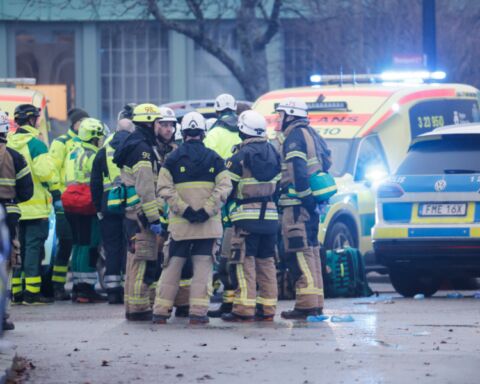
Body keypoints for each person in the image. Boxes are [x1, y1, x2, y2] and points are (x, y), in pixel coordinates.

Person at [152, 111, 232, 325]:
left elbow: (164, 188)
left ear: (183, 132)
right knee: (203, 269)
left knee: (172, 268)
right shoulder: (215, 158)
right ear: (203, 132)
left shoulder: (172, 159)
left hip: (181, 227)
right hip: (207, 226)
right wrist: (206, 210)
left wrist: (184, 210)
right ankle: (198, 313)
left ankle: (161, 311)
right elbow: (225, 187)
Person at [221, 110, 281, 322]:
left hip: (246, 220)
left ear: (242, 131)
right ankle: (267, 309)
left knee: (244, 263)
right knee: (266, 264)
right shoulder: (274, 153)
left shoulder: (239, 157)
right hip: (271, 219)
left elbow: (226, 188)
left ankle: (244, 310)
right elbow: (280, 186)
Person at [276, 98, 329, 319]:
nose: (278, 120)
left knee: (299, 254)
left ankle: (305, 305)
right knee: (312, 252)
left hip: (296, 207)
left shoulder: (294, 137)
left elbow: (298, 171)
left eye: (280, 115)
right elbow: (326, 162)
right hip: (309, 207)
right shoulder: (311, 134)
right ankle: (315, 302)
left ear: (290, 115)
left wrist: (305, 198)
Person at [112, 103, 164, 321]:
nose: (161, 127)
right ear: (149, 123)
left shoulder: (135, 143)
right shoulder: (142, 149)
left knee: (136, 261)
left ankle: (138, 305)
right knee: (141, 262)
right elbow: (145, 188)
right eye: (159, 123)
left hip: (133, 214)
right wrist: (154, 218)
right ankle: (138, 308)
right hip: (141, 215)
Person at [7, 104, 59, 305]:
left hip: (14, 208)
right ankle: (32, 294)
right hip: (36, 209)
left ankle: (17, 293)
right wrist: (55, 188)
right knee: (33, 251)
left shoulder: (9, 142)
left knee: (17, 251)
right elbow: (45, 173)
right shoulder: (36, 145)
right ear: (31, 120)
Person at [90, 118, 134, 304]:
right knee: (130, 247)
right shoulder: (135, 149)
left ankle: (113, 290)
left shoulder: (103, 152)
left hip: (108, 204)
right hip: (131, 202)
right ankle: (129, 288)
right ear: (131, 131)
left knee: (112, 247)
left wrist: (98, 207)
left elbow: (95, 183)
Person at [63, 117, 107, 303]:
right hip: (86, 204)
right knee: (90, 245)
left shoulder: (73, 151)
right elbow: (97, 181)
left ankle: (78, 286)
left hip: (70, 203)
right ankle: (87, 289)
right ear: (94, 136)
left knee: (78, 245)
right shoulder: (93, 154)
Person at [49, 108, 89, 300]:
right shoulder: (62, 143)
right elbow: (52, 170)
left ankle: (78, 285)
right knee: (65, 243)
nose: (84, 125)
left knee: (80, 243)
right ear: (74, 124)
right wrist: (57, 194)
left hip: (83, 202)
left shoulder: (86, 143)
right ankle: (58, 285)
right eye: (81, 122)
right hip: (66, 201)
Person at [0, 110, 33, 328]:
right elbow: (27, 191)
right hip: (7, 215)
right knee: (6, 265)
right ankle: (2, 316)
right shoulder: (14, 156)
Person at [203, 93, 241, 159]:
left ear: (217, 111)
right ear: (235, 109)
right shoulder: (245, 131)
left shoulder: (213, 134)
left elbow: (207, 159)